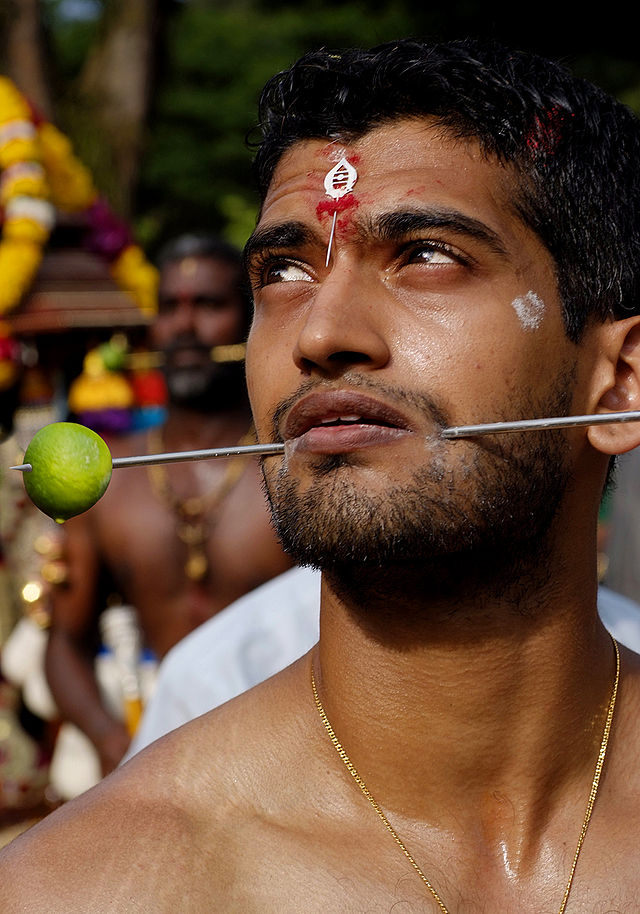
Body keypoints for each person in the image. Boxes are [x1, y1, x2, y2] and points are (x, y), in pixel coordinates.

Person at [3, 37, 640, 911]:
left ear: (620, 383)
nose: (319, 332)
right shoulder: (90, 889)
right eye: (284, 271)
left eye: (425, 253)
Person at [43, 234, 292, 776]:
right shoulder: (107, 477)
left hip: (290, 760)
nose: (185, 328)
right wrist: (118, 746)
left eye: (208, 305)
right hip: (157, 764)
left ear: (251, 320)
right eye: (168, 308)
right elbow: (63, 642)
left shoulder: (295, 466)